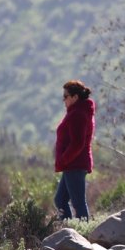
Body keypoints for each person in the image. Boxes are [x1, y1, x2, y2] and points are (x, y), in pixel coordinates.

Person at [54, 80, 96, 221]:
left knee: (78, 203)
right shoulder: (76, 112)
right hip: (71, 164)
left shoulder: (78, 114)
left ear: (75, 97)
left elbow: (78, 143)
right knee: (60, 200)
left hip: (75, 164)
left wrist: (63, 160)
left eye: (65, 97)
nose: (63, 100)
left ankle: (83, 234)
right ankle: (68, 231)